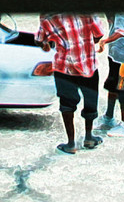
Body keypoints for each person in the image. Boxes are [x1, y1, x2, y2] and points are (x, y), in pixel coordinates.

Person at [35, 14, 105, 154]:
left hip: (64, 67)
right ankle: (89, 137)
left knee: (67, 104)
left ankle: (71, 143)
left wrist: (48, 43)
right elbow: (98, 35)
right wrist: (84, 42)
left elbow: (39, 40)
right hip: (88, 64)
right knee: (90, 101)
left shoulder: (48, 16)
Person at [95, 13, 124, 137]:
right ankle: (109, 117)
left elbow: (122, 32)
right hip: (115, 53)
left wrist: (105, 41)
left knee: (122, 89)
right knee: (112, 85)